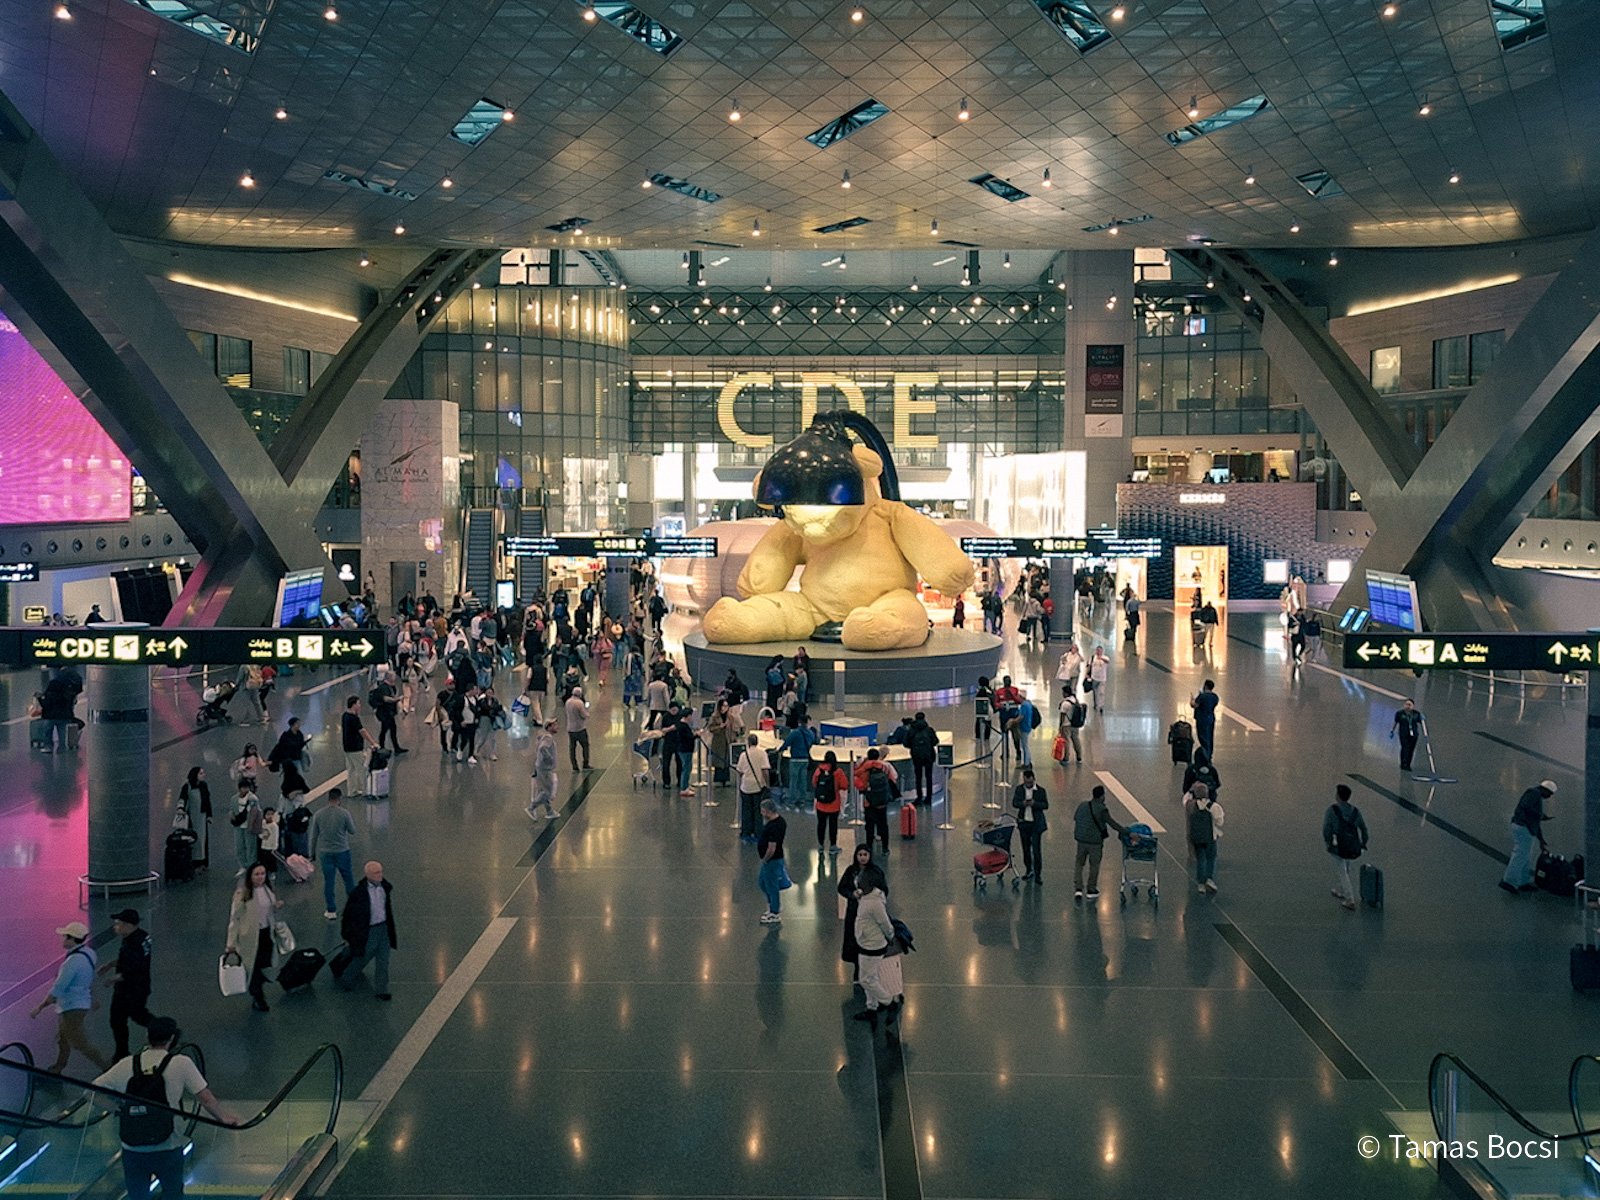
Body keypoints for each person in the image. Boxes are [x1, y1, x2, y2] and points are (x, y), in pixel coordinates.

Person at [91, 1016, 239, 1200]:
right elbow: (206, 1099)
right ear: (172, 1038)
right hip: (168, 1144)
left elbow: (90, 1092)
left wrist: (118, 1109)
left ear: (147, 1036)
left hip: (133, 1148)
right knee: (172, 1193)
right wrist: (223, 1118)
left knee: (137, 1195)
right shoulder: (181, 1063)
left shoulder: (126, 1064)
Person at [31, 921, 111, 1074]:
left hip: (71, 1007)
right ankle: (58, 1067)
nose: (63, 939)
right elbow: (88, 977)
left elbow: (58, 988)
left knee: (80, 1043)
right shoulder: (89, 953)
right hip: (80, 1002)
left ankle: (106, 1067)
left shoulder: (71, 963)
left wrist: (39, 1008)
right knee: (63, 1039)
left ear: (72, 939)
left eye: (65, 937)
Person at [224, 863, 282, 1012]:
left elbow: (268, 909)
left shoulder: (267, 890)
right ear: (250, 876)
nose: (260, 877)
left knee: (263, 962)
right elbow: (235, 919)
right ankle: (258, 996)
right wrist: (231, 943)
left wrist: (276, 905)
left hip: (265, 933)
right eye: (257, 874)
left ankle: (258, 984)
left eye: (262, 874)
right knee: (253, 965)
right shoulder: (242, 894)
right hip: (249, 937)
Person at [100, 909, 153, 1061]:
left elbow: (132, 969)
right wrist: (111, 965)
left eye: (118, 924)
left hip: (131, 989)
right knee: (125, 1017)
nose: (115, 927)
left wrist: (112, 979)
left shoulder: (132, 943)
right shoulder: (141, 936)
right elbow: (129, 961)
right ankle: (121, 1051)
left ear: (128, 925)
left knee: (131, 1017)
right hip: (138, 987)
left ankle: (122, 1052)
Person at [339, 861, 397, 1000]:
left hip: (383, 928)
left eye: (381, 871)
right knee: (363, 956)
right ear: (368, 875)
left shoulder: (384, 888)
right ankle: (347, 977)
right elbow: (349, 915)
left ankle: (382, 990)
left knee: (383, 960)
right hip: (368, 930)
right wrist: (348, 935)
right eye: (377, 873)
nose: (380, 875)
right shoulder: (358, 893)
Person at [852, 873, 901, 1032]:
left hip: (872, 946)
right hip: (865, 943)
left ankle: (889, 1003)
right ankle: (871, 1007)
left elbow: (885, 923)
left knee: (865, 980)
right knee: (871, 976)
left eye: (860, 882)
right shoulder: (867, 897)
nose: (857, 883)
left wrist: (891, 936)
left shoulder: (875, 903)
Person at [838, 845, 887, 982]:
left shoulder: (876, 872)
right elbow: (842, 887)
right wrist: (852, 894)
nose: (863, 857)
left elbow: (884, 889)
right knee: (854, 941)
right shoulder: (851, 871)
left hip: (870, 914)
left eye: (865, 854)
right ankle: (857, 973)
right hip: (854, 912)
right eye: (860, 855)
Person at [1501, 780, 1558, 894]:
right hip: (1523, 827)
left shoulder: (1536, 795)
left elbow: (1535, 821)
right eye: (1550, 794)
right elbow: (1527, 807)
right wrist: (1540, 815)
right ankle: (1509, 881)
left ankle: (1523, 881)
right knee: (1520, 855)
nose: (1549, 797)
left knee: (1525, 856)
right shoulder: (1534, 793)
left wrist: (1541, 840)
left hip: (1525, 827)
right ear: (1545, 790)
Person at [310, 787, 357, 920]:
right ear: (339, 799)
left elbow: (313, 836)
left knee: (329, 881)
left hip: (325, 852)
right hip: (342, 851)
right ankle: (352, 907)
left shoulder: (318, 814)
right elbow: (352, 831)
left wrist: (312, 853)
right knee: (348, 879)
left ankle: (331, 910)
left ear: (328, 798)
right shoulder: (344, 813)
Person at [1072, 783, 1126, 901]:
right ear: (1102, 796)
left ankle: (1078, 888)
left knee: (1079, 863)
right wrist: (1126, 831)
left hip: (1081, 840)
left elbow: (1076, 818)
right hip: (1095, 842)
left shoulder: (1082, 805)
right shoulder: (1102, 809)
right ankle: (1091, 889)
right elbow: (1112, 823)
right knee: (1094, 865)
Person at [1323, 784, 1370, 910]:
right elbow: (1364, 829)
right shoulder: (1355, 811)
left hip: (1339, 846)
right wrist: (1363, 843)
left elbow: (1326, 829)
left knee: (1342, 870)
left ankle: (1349, 899)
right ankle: (1341, 890)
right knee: (1346, 865)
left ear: (1338, 796)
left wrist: (1328, 843)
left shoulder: (1332, 811)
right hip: (1353, 846)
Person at [854, 748, 897, 857]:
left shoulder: (864, 768)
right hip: (882, 801)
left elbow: (858, 783)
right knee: (883, 824)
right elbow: (893, 778)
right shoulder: (885, 766)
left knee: (869, 826)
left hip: (868, 802)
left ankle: (869, 847)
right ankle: (885, 848)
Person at [1011, 768, 1049, 883]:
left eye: (1030, 782)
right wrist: (1023, 803)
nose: (1028, 784)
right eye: (1026, 782)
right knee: (1026, 849)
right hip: (1024, 824)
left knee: (1036, 850)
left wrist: (1034, 804)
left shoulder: (1041, 791)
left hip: (1036, 825)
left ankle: (1038, 874)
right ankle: (1028, 870)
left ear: (1034, 779)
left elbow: (1045, 805)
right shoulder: (1019, 789)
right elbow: (1014, 803)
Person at [755, 799, 788, 925]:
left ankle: (774, 912)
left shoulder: (774, 827)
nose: (762, 813)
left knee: (771, 885)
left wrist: (765, 859)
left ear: (769, 811)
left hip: (772, 860)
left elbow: (772, 847)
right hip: (770, 860)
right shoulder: (779, 821)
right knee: (763, 882)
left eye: (763, 811)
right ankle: (772, 904)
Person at [1185, 782, 1221, 895]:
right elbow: (1220, 821)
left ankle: (1200, 883)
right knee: (1211, 858)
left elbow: (1185, 799)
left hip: (1197, 838)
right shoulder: (1213, 807)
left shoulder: (1191, 805)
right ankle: (1209, 879)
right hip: (1210, 837)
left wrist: (1190, 790)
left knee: (1200, 859)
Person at [340, 696, 379, 799]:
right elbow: (362, 731)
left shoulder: (345, 716)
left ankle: (351, 791)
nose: (360, 706)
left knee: (351, 770)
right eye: (358, 703)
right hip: (355, 748)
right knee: (362, 769)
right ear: (353, 705)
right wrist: (373, 743)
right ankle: (366, 790)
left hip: (347, 747)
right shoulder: (354, 718)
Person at [736, 733, 769, 842]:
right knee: (758, 811)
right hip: (758, 786)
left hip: (746, 786)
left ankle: (746, 832)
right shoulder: (762, 753)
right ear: (757, 742)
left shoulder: (743, 755)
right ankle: (758, 832)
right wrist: (767, 784)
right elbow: (765, 770)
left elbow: (739, 771)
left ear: (748, 743)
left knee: (746, 810)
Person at [812, 750, 847, 854]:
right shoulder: (838, 772)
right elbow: (844, 785)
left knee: (821, 825)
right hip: (834, 804)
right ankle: (832, 846)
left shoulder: (819, 770)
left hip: (820, 804)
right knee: (833, 825)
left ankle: (821, 845)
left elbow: (814, 783)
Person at [177, 766, 212, 868]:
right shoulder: (187, 786)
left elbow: (207, 801)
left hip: (202, 816)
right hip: (192, 816)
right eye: (201, 773)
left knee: (202, 839)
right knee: (193, 837)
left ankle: (202, 861)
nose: (203, 775)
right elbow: (182, 798)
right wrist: (180, 808)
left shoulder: (204, 786)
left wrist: (209, 815)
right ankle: (193, 861)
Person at [782, 715, 819, 804]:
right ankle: (802, 799)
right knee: (803, 780)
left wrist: (780, 749)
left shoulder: (795, 733)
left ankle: (792, 799)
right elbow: (815, 741)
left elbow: (786, 743)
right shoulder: (810, 733)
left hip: (795, 759)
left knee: (793, 781)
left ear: (799, 722)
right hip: (805, 759)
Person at [369, 669, 407, 754]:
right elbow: (386, 699)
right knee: (386, 730)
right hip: (385, 713)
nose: (395, 678)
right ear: (389, 677)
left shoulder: (390, 686)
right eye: (393, 676)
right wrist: (397, 699)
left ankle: (392, 747)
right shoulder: (383, 687)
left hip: (389, 713)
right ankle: (385, 747)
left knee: (389, 729)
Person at [529, 718, 559, 820]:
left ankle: (550, 811)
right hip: (545, 769)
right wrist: (549, 758)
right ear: (549, 727)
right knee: (547, 792)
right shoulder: (548, 738)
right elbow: (542, 748)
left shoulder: (544, 737)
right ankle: (531, 807)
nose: (557, 727)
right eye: (554, 725)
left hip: (541, 767)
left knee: (544, 789)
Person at [229, 780, 262, 875]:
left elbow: (256, 812)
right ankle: (243, 865)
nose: (246, 790)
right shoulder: (234, 799)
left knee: (251, 847)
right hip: (238, 826)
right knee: (239, 846)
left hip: (249, 826)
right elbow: (232, 810)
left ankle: (251, 866)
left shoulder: (253, 799)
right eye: (244, 788)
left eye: (247, 787)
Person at [906, 711, 939, 804]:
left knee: (918, 777)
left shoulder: (911, 731)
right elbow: (935, 741)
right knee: (929, 777)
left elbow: (906, 743)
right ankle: (928, 798)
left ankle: (919, 797)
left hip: (916, 757)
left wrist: (913, 747)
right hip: (928, 756)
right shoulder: (929, 730)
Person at [1391, 699, 1424, 772]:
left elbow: (1422, 723)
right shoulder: (1400, 713)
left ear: (1413, 706)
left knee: (1411, 749)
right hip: (1403, 734)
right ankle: (1403, 763)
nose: (1408, 706)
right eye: (1406, 704)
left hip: (1414, 735)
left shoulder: (1416, 714)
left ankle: (1408, 764)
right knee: (1404, 748)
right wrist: (1392, 730)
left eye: (1410, 705)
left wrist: (1422, 719)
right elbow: (1396, 722)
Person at [565, 685, 591, 771]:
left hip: (570, 728)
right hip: (580, 728)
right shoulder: (579, 703)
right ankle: (585, 764)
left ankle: (574, 766)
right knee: (585, 746)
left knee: (572, 748)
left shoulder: (568, 702)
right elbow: (584, 715)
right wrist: (587, 712)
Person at [1058, 685, 1087, 764]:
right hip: (1075, 724)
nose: (1062, 694)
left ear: (1066, 693)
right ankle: (1079, 757)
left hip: (1066, 725)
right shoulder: (1075, 700)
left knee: (1066, 741)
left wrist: (1060, 726)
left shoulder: (1065, 703)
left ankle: (1066, 758)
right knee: (1076, 740)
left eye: (1063, 692)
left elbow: (1062, 715)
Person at [1191, 680, 1220, 757]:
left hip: (1202, 719)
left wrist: (1192, 699)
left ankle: (1205, 755)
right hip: (1211, 718)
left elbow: (1194, 705)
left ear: (1205, 686)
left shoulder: (1202, 696)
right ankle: (1209, 753)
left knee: (1203, 737)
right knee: (1210, 737)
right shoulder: (1215, 697)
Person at [1087, 648, 1110, 713]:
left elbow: (1107, 661)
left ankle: (1101, 705)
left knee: (1101, 692)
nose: (1098, 652)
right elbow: (1089, 666)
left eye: (1100, 651)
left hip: (1102, 679)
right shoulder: (1093, 658)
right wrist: (1087, 674)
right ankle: (1095, 704)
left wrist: (1101, 658)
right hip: (1094, 678)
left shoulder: (1105, 658)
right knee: (1095, 692)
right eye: (1097, 651)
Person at [974, 675, 994, 748]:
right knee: (988, 723)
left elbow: (979, 699)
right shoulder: (990, 690)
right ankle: (987, 738)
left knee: (979, 723)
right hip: (990, 709)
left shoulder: (982, 690)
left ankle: (979, 737)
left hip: (983, 709)